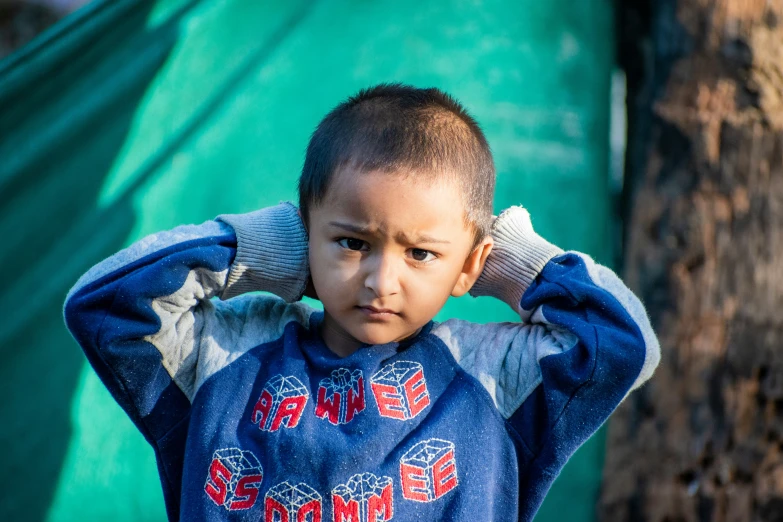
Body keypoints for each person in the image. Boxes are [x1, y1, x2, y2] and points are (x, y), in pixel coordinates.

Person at [64, 82, 660, 521]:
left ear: (468, 264)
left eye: (421, 254)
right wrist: (263, 248)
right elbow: (107, 305)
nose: (381, 280)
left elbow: (620, 344)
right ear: (304, 236)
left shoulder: (491, 379)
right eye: (352, 243)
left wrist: (509, 261)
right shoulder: (224, 356)